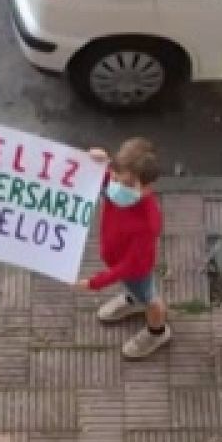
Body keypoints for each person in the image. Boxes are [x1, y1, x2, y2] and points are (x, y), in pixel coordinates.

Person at [79, 138, 170, 359]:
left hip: (135, 270)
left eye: (127, 184)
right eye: (115, 178)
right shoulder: (117, 186)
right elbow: (106, 180)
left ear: (147, 186)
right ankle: (132, 300)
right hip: (116, 258)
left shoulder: (148, 222)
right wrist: (97, 163)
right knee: (135, 291)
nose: (117, 186)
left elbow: (130, 265)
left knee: (150, 299)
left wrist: (96, 282)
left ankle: (157, 332)